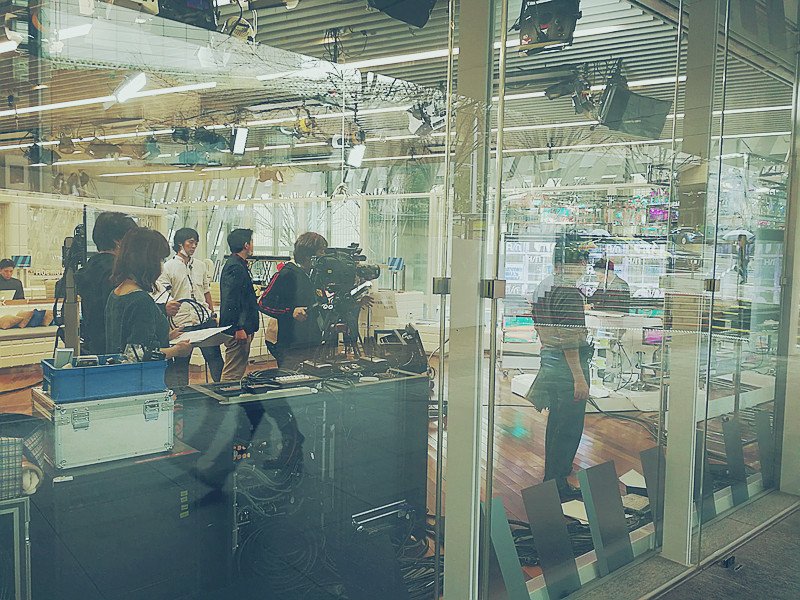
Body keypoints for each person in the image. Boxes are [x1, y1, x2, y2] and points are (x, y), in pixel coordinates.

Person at [526, 241, 592, 501]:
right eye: (582, 262)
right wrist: (579, 378)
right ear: (575, 264)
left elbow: (538, 323)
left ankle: (552, 479)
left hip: (550, 359)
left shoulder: (544, 285)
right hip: (567, 367)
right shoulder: (568, 292)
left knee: (556, 423)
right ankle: (557, 484)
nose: (584, 268)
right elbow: (570, 337)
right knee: (568, 429)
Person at [105, 228, 192, 362]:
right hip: (142, 374)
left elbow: (128, 341)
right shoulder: (141, 300)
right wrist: (176, 350)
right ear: (148, 261)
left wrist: (166, 337)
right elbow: (136, 354)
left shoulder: (116, 294)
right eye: (160, 259)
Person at [155, 228, 224, 385]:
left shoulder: (200, 266)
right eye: (190, 242)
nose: (193, 246)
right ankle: (182, 394)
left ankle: (221, 389)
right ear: (180, 243)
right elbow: (163, 296)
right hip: (182, 323)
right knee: (181, 364)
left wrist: (212, 314)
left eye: (196, 243)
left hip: (204, 320)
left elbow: (206, 291)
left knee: (215, 359)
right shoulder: (168, 267)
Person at [258, 232, 328, 370]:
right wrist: (290, 312)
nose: (324, 255)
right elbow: (263, 303)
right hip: (290, 344)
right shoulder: (287, 274)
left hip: (310, 341)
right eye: (321, 251)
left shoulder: (314, 275)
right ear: (308, 255)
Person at [74, 212, 138, 355]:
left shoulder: (89, 267)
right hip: (117, 350)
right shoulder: (116, 272)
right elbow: (121, 314)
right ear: (118, 241)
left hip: (95, 345)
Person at [219, 228, 259, 381]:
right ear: (246, 245)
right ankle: (225, 394)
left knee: (237, 369)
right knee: (233, 372)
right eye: (251, 241)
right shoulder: (235, 267)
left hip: (242, 326)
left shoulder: (238, 265)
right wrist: (238, 327)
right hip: (238, 329)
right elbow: (232, 299)